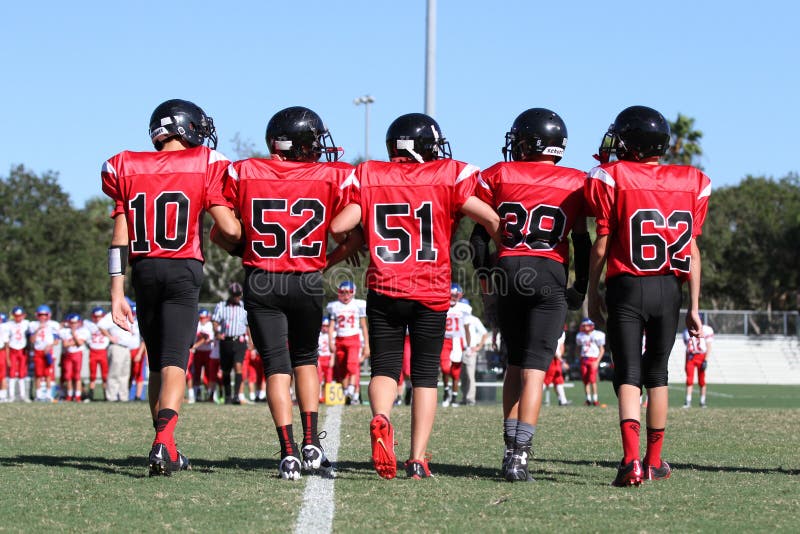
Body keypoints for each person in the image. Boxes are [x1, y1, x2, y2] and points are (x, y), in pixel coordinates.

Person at [329, 112, 500, 479]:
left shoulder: (370, 174)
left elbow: (338, 225)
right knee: (424, 376)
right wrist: (499, 247)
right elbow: (489, 218)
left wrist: (357, 232)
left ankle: (381, 417)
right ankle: (418, 458)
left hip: (384, 286)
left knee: (386, 369)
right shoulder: (447, 175)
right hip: (431, 289)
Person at [101, 98, 241, 476]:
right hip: (182, 268)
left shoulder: (125, 165)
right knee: (176, 359)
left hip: (143, 271)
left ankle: (167, 443)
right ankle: (164, 442)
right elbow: (227, 228)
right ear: (187, 128)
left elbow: (119, 238)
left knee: (157, 363)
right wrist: (243, 240)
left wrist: (117, 293)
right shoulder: (205, 163)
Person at [216, 105, 354, 480]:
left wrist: (248, 249)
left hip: (261, 277)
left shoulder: (244, 171)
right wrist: (329, 258)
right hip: (306, 277)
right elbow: (351, 228)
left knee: (276, 366)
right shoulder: (330, 175)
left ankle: (288, 452)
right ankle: (311, 442)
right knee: (306, 358)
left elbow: (221, 231)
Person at [585, 105, 710, 486]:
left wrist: (593, 291)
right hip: (669, 289)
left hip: (628, 285)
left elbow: (602, 244)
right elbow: (692, 250)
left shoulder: (612, 176)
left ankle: (630, 462)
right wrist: (695, 306)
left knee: (627, 373)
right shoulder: (692, 180)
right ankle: (654, 462)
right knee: (658, 374)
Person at [473, 108, 591, 482]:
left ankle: (509, 448)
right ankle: (520, 457)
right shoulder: (576, 182)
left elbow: (478, 241)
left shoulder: (499, 174)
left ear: (528, 141)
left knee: (514, 364)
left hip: (509, 272)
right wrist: (581, 288)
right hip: (549, 275)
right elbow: (582, 241)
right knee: (536, 372)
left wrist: (488, 283)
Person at [327, 280, 369, 405]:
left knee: (352, 364)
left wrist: (366, 344)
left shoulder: (358, 305)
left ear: (353, 292)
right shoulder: (334, 306)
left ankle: (352, 388)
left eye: (348, 292)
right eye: (342, 292)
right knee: (342, 369)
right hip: (339, 339)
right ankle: (346, 392)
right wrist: (330, 341)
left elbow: (363, 326)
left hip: (353, 338)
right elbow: (331, 326)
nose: (345, 295)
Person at [98, 298, 142, 403]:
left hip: (126, 348)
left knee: (125, 374)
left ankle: (123, 397)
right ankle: (111, 396)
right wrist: (110, 337)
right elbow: (101, 325)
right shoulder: (113, 314)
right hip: (117, 347)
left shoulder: (128, 315)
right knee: (114, 372)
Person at [212, 282, 249, 404]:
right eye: (234, 295)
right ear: (230, 295)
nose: (237, 297)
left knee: (238, 367)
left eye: (238, 295)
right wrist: (217, 333)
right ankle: (228, 396)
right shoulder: (221, 306)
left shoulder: (244, 307)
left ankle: (237, 395)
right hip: (226, 341)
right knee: (226, 369)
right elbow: (215, 321)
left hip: (239, 341)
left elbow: (248, 325)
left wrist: (252, 341)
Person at [441, 283, 471, 407]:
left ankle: (453, 397)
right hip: (445, 340)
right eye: (451, 295)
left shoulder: (464, 308)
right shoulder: (442, 306)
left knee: (455, 372)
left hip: (457, 340)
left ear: (459, 296)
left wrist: (468, 346)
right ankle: (446, 391)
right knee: (445, 368)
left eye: (455, 295)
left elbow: (467, 329)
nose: (453, 297)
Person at [29, 305, 61, 402]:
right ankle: (38, 395)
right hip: (38, 351)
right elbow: (32, 340)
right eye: (41, 315)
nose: (43, 317)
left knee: (48, 374)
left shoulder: (53, 325)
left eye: (45, 315)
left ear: (49, 315)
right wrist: (38, 329)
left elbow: (56, 340)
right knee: (38, 374)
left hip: (47, 352)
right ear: (37, 315)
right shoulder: (33, 325)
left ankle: (48, 395)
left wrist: (49, 346)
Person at [59, 314, 90, 402]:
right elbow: (65, 344)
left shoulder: (83, 331)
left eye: (75, 323)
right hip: (68, 354)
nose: (73, 325)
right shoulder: (64, 331)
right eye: (71, 323)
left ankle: (77, 396)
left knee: (77, 376)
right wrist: (75, 342)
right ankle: (69, 395)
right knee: (68, 376)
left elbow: (80, 343)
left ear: (79, 323)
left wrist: (74, 335)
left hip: (77, 354)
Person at [576, 318, 606, 406]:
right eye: (584, 326)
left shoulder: (597, 334)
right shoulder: (580, 335)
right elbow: (577, 349)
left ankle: (595, 400)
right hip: (584, 359)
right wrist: (580, 358)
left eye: (587, 325)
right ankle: (588, 399)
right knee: (585, 380)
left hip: (593, 359)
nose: (585, 328)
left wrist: (597, 361)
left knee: (593, 380)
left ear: (591, 326)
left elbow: (602, 350)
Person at [461, 310, 489, 406]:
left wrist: (479, 347)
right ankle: (464, 398)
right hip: (459, 349)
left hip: (470, 351)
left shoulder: (474, 319)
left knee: (470, 375)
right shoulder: (458, 319)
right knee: (462, 376)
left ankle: (470, 399)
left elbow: (485, 333)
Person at [683, 323, 714, 407]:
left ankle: (702, 401)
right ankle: (688, 401)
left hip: (701, 356)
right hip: (691, 357)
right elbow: (687, 347)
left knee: (701, 379)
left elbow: (709, 346)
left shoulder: (706, 329)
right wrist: (685, 361)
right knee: (689, 379)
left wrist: (706, 360)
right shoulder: (686, 331)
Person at [84, 307, 110, 401]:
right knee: (92, 375)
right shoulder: (89, 325)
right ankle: (91, 394)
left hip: (103, 351)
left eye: (100, 317)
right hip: (93, 351)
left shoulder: (107, 325)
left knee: (104, 375)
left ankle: (106, 395)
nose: (98, 319)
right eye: (96, 317)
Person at [190, 309, 216, 402]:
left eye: (204, 318)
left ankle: (211, 395)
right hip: (198, 353)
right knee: (196, 374)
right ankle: (196, 394)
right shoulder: (197, 324)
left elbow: (206, 338)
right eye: (201, 318)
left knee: (209, 375)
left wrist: (195, 346)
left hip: (208, 352)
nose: (202, 320)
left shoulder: (210, 325)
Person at [7, 307, 31, 402]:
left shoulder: (27, 323)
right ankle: (11, 396)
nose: (18, 318)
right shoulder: (9, 325)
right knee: (12, 373)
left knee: (22, 373)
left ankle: (22, 395)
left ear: (24, 316)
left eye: (19, 316)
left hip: (23, 350)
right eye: (16, 316)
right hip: (13, 349)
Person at [543, 331, 570, 406]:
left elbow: (561, 346)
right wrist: (563, 362)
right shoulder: (553, 329)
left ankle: (563, 401)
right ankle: (532, 398)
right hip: (551, 358)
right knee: (546, 380)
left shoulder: (562, 332)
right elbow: (552, 348)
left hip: (557, 359)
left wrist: (560, 358)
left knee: (558, 380)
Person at [317, 317, 334, 403]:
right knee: (319, 378)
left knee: (329, 378)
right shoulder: (318, 334)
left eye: (327, 326)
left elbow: (333, 348)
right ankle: (319, 396)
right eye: (323, 326)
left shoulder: (332, 334)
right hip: (320, 358)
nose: (325, 328)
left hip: (328, 358)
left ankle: (328, 397)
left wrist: (333, 359)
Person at [0, 313, 9, 402]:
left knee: (2, 375)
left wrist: (8, 358)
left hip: (1, 352)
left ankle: (3, 395)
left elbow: (6, 345)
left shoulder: (3, 330)